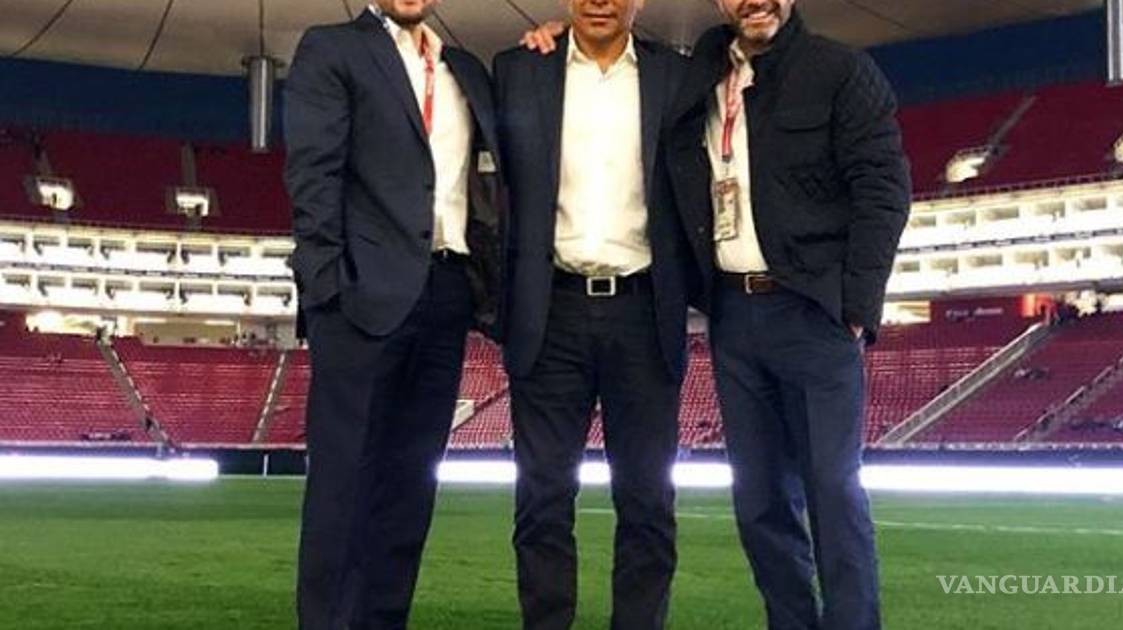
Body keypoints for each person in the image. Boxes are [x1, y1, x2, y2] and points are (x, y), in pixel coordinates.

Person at [664, 1, 910, 627]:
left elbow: (883, 189)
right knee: (759, 501)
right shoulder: (698, 76)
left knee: (832, 491)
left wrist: (856, 306)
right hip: (732, 315)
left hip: (814, 312)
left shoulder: (840, 70)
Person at [284, 0, 504, 627]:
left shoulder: (465, 68)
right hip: (360, 298)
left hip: (447, 294)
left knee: (410, 492)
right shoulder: (333, 48)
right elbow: (312, 174)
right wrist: (328, 290)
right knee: (343, 489)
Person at [494, 1, 692, 628]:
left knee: (648, 501)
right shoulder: (519, 69)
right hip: (549, 310)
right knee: (542, 500)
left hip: (644, 311)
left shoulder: (677, 75)